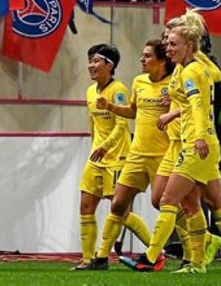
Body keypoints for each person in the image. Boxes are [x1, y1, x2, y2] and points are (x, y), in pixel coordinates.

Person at [120, 20, 221, 274]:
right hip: (190, 142)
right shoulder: (189, 67)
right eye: (166, 41)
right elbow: (205, 87)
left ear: (189, 45)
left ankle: (152, 258)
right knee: (213, 203)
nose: (167, 47)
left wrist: (199, 135)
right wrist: (174, 111)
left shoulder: (192, 70)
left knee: (169, 199)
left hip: (195, 143)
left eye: (173, 42)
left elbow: (199, 105)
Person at [87, 40, 173, 269]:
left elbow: (191, 108)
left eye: (147, 56)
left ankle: (198, 243)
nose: (142, 59)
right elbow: (133, 112)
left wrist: (174, 106)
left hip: (162, 154)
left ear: (162, 60)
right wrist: (110, 107)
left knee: (166, 204)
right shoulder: (139, 82)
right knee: (117, 204)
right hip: (137, 153)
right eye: (142, 55)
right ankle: (101, 257)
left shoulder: (174, 84)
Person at [75, 44, 148, 270]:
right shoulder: (90, 91)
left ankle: (155, 248)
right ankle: (88, 259)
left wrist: (105, 147)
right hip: (96, 158)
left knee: (120, 211)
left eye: (96, 61)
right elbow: (93, 125)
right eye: (90, 61)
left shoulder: (118, 90)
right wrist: (94, 148)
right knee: (86, 205)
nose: (91, 65)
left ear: (110, 65)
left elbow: (122, 124)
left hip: (117, 157)